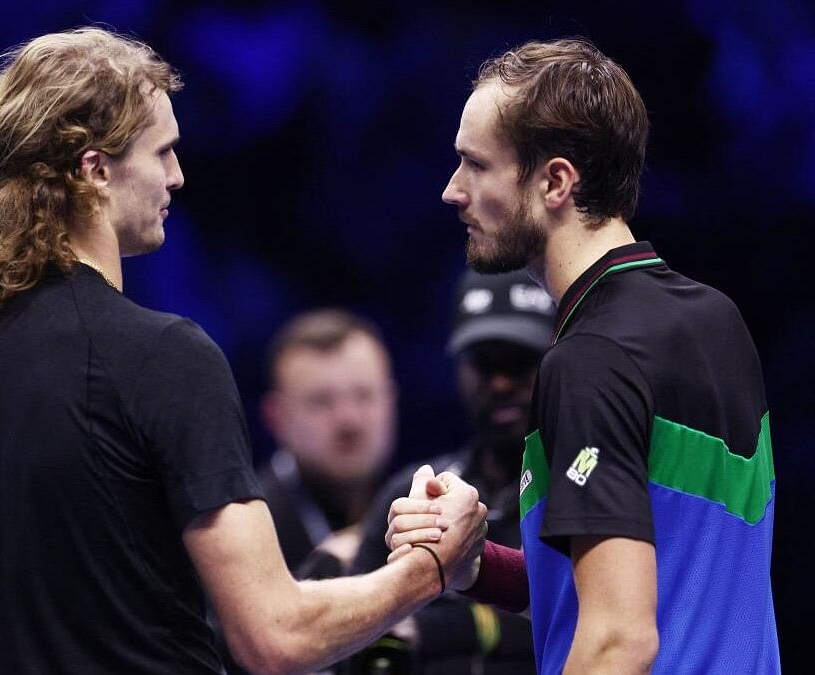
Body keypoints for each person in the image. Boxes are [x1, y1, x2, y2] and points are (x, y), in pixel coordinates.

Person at [0, 27, 488, 675]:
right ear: (96, 171)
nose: (177, 177)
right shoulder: (168, 357)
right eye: (162, 153)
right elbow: (275, 636)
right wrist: (431, 567)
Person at [387, 38, 779, 674]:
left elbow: (619, 640)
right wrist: (474, 566)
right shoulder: (718, 321)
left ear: (556, 181)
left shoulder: (590, 359)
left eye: (474, 165)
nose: (451, 191)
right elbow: (643, 594)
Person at [350, 269, 552, 674]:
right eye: (484, 364)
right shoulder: (418, 493)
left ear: (558, 360)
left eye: (518, 364)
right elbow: (357, 638)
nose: (499, 384)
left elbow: (606, 618)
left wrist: (443, 628)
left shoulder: (590, 483)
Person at [257, 309, 396, 575]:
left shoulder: (418, 501)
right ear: (276, 418)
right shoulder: (246, 529)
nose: (349, 420)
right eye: (321, 401)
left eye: (364, 395)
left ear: (390, 401)